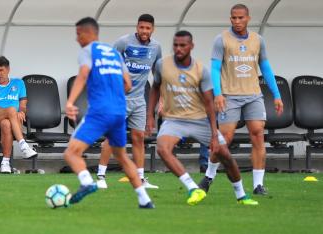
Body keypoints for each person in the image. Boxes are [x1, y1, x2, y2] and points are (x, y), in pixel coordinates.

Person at [146, 30, 258, 206]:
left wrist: (214, 135)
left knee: (225, 156)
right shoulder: (162, 65)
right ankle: (193, 188)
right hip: (174, 120)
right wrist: (150, 116)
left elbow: (209, 104)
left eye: (183, 45)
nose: (178, 48)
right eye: (175, 45)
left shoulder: (201, 70)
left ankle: (242, 195)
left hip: (199, 120)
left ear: (191, 46)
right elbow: (155, 87)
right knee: (162, 148)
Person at [63, 17, 154, 209]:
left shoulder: (88, 51)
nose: (76, 38)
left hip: (100, 112)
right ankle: (144, 199)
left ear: (89, 33)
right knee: (122, 156)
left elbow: (83, 74)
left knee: (71, 153)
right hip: (119, 112)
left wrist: (70, 102)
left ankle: (87, 182)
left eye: (78, 34)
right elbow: (128, 85)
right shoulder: (114, 53)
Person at [199, 4, 284, 195]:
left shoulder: (258, 40)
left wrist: (277, 95)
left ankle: (258, 185)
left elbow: (266, 68)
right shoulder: (221, 39)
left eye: (240, 18)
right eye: (233, 18)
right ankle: (209, 176)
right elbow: (214, 69)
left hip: (253, 95)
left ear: (248, 18)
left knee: (257, 134)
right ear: (230, 19)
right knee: (224, 139)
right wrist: (218, 94)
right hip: (229, 96)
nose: (237, 21)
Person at [95, 14, 162, 189]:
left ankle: (140, 178)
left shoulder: (156, 47)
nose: (144, 31)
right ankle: (101, 176)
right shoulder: (123, 42)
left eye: (148, 28)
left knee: (139, 138)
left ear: (152, 29)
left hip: (140, 100)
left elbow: (158, 74)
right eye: (141, 27)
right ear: (137, 27)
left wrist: (162, 99)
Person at [0, 56, 38, 173]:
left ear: (8, 70)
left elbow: (23, 105)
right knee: (11, 110)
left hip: (12, 121)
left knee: (6, 123)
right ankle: (23, 145)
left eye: (1, 70)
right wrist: (9, 111)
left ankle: (5, 163)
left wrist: (21, 112)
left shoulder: (19, 83)